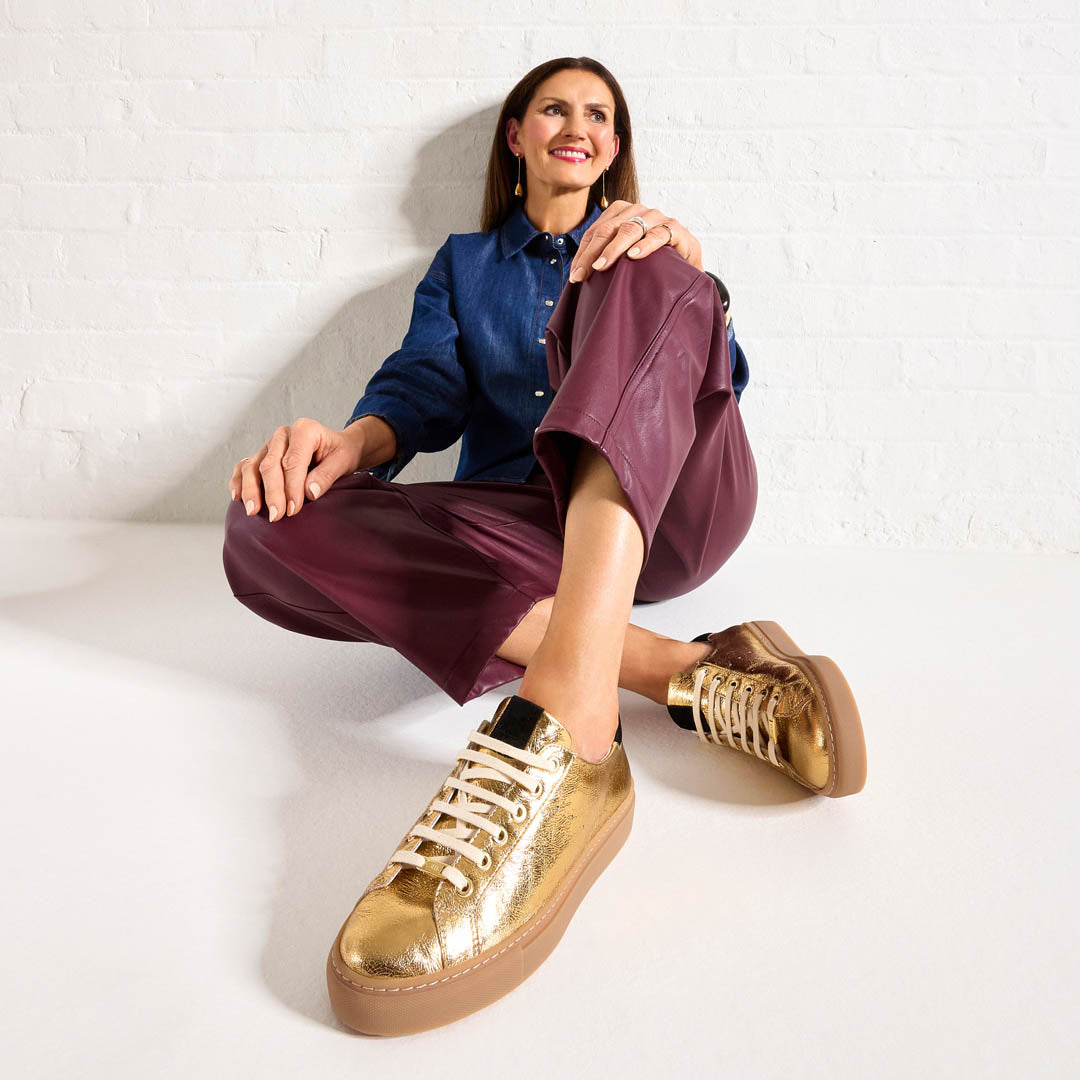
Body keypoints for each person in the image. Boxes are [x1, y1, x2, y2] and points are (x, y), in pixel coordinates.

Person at [222, 57, 867, 1036]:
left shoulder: (643, 248)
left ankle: (566, 719)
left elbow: (714, 383)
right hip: (521, 521)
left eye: (600, 114)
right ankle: (676, 670)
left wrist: (691, 284)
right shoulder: (462, 265)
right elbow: (419, 390)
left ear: (615, 146)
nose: (579, 125)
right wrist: (345, 446)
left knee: (645, 262)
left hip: (672, 513)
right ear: (517, 135)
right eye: (556, 108)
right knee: (267, 515)